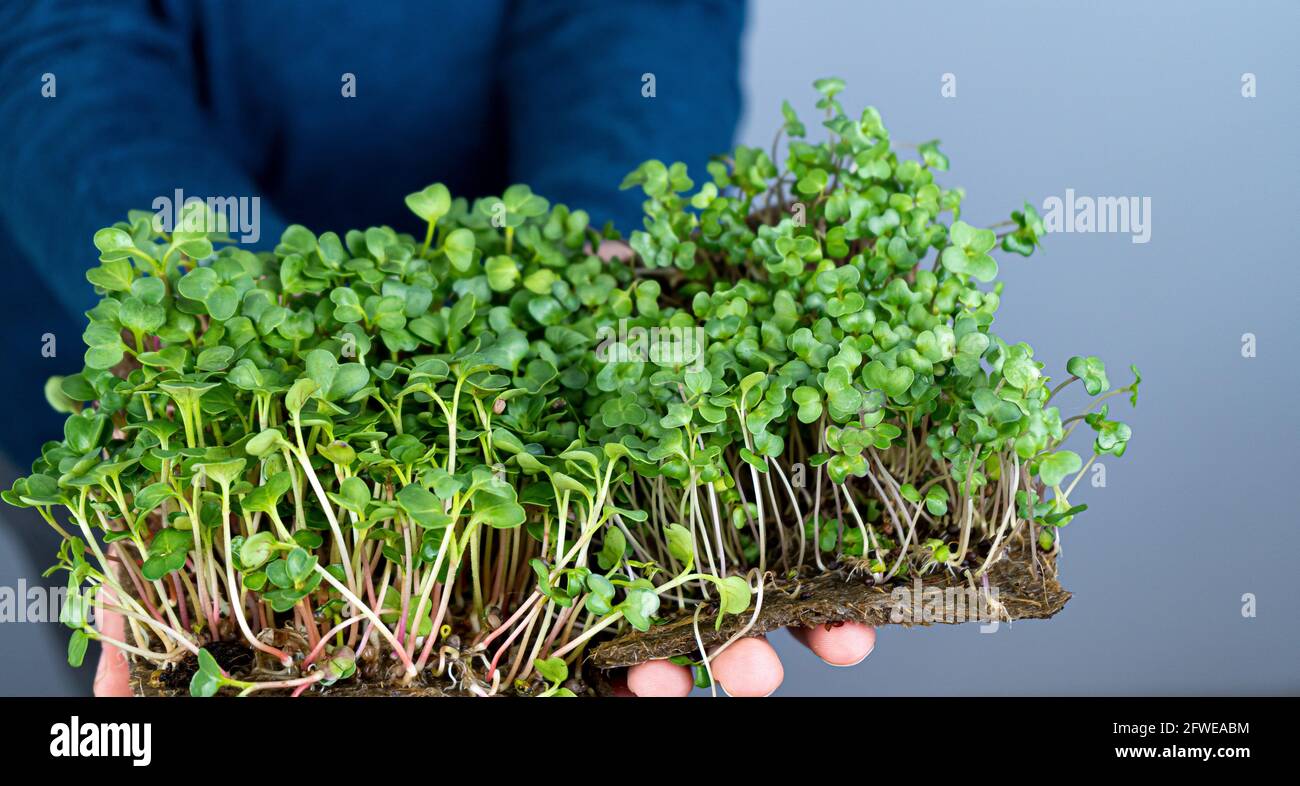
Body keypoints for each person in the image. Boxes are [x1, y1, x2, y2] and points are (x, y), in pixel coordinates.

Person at [0, 0, 875, 698]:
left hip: (511, 310)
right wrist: (210, 323)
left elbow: (642, 18)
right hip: (120, 328)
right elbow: (57, 40)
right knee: (191, 643)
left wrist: (594, 255)